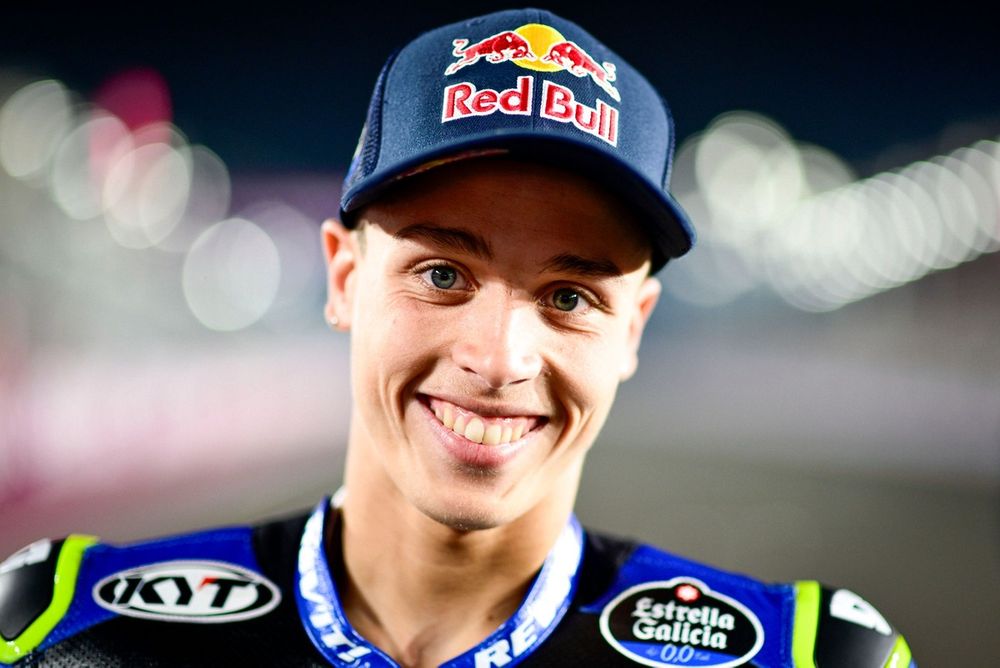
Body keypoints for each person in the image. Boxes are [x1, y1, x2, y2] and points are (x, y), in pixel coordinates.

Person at [0, 8, 914, 667]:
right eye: (443, 275)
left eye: (569, 295)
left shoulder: (810, 653)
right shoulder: (59, 630)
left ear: (633, 328)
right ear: (345, 279)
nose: (499, 357)